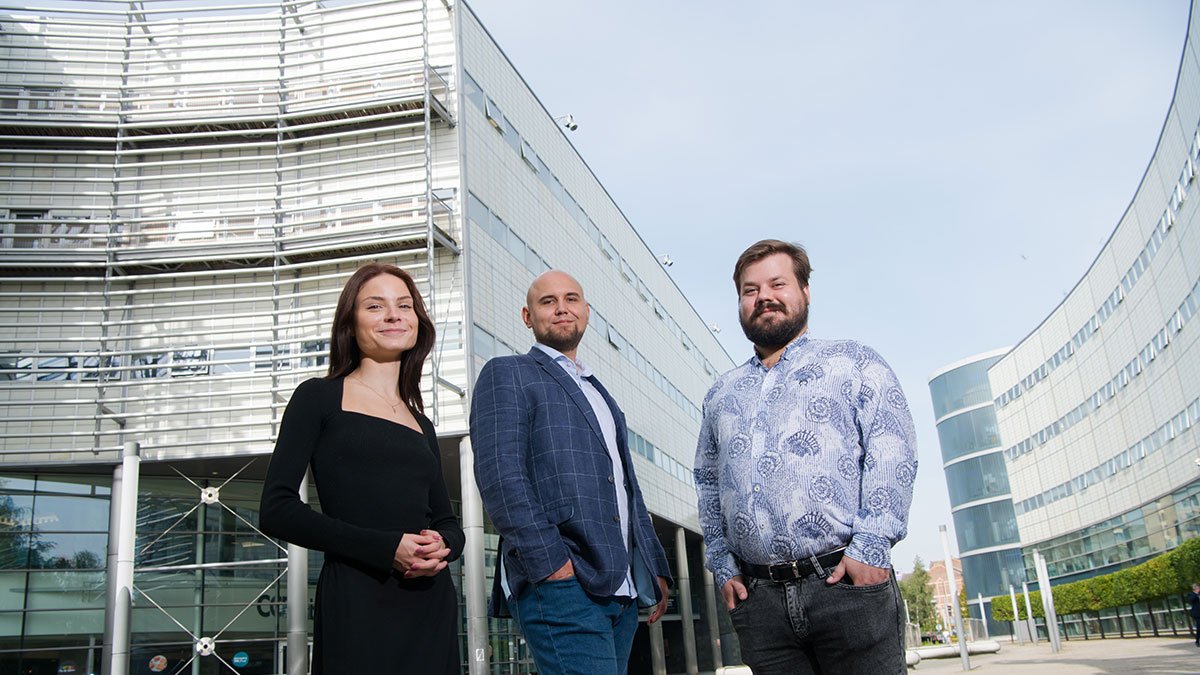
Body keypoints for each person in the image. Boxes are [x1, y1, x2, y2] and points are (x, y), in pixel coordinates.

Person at [694, 240, 918, 674]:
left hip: (846, 586)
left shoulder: (853, 362)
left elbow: (893, 448)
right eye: (750, 290)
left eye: (777, 283)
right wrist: (722, 565)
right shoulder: (720, 394)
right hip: (760, 606)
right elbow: (707, 480)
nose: (764, 297)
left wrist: (871, 545)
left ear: (806, 291)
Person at [259, 263, 464, 674]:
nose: (393, 315)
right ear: (351, 324)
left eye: (404, 305)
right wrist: (386, 548)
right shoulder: (317, 397)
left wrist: (445, 545)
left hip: (430, 603)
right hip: (358, 600)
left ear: (417, 322)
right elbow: (276, 508)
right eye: (376, 305)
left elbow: (447, 520)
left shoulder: (422, 423)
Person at [470, 270, 673, 675]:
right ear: (528, 316)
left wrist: (652, 566)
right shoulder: (507, 373)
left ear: (586, 312)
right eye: (548, 301)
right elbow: (500, 476)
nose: (562, 308)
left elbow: (627, 489)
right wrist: (551, 563)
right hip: (563, 581)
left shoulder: (600, 392)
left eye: (571, 299)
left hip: (621, 590)